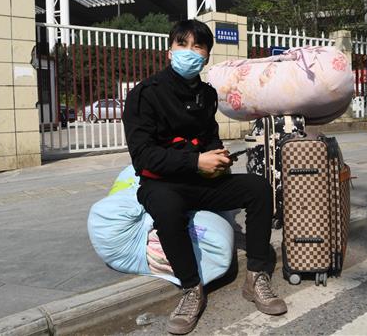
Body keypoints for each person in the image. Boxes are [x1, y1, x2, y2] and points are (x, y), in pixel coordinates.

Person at [122, 20, 287, 335]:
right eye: (182, 45)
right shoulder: (145, 95)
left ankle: (256, 277)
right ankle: (190, 288)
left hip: (201, 181)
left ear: (207, 56)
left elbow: (209, 137)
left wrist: (219, 157)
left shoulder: (207, 95)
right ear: (170, 51)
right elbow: (143, 156)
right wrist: (196, 161)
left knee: (258, 188)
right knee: (167, 207)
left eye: (198, 46)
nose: (189, 52)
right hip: (162, 182)